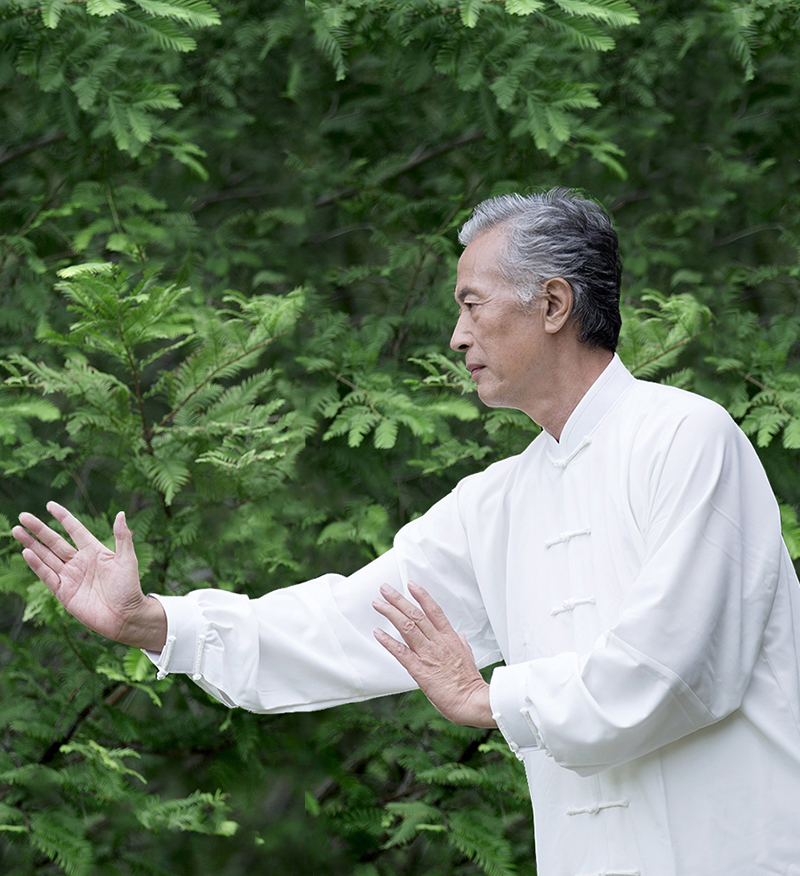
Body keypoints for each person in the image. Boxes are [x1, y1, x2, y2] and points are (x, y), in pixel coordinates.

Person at [13, 190, 800, 876]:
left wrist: (489, 697)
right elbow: (347, 624)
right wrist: (157, 623)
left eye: (472, 305)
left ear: (554, 304)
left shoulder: (687, 438)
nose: (456, 337)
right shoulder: (497, 503)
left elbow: (674, 670)